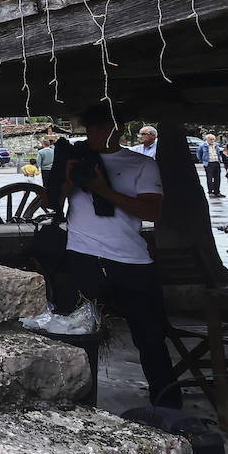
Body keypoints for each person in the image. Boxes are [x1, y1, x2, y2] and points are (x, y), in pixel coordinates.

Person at [60, 103, 178, 408]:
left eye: (102, 129)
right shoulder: (76, 159)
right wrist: (69, 181)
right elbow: (50, 202)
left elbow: (152, 211)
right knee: (81, 334)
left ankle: (168, 408)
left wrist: (102, 188)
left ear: (119, 130)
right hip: (83, 255)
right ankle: (81, 406)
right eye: (91, 130)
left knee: (150, 337)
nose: (96, 135)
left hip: (131, 261)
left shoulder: (142, 164)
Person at [197, 133, 224, 199]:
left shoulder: (216, 145)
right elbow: (199, 154)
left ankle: (217, 191)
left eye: (213, 139)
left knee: (217, 178)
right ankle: (210, 191)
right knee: (209, 178)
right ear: (207, 139)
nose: (212, 141)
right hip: (208, 163)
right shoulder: (203, 146)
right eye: (210, 139)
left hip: (216, 162)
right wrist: (203, 161)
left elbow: (219, 153)